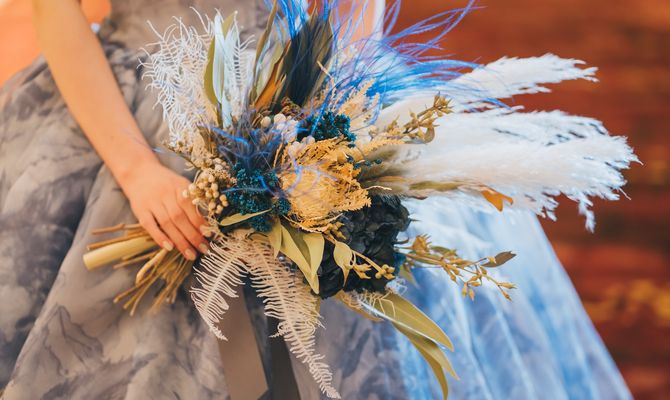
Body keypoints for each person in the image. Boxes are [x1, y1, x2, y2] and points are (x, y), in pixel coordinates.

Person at [0, 0, 631, 399]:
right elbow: (56, 10)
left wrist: (328, 123)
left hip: (309, 86)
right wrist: (136, 169)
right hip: (134, 103)